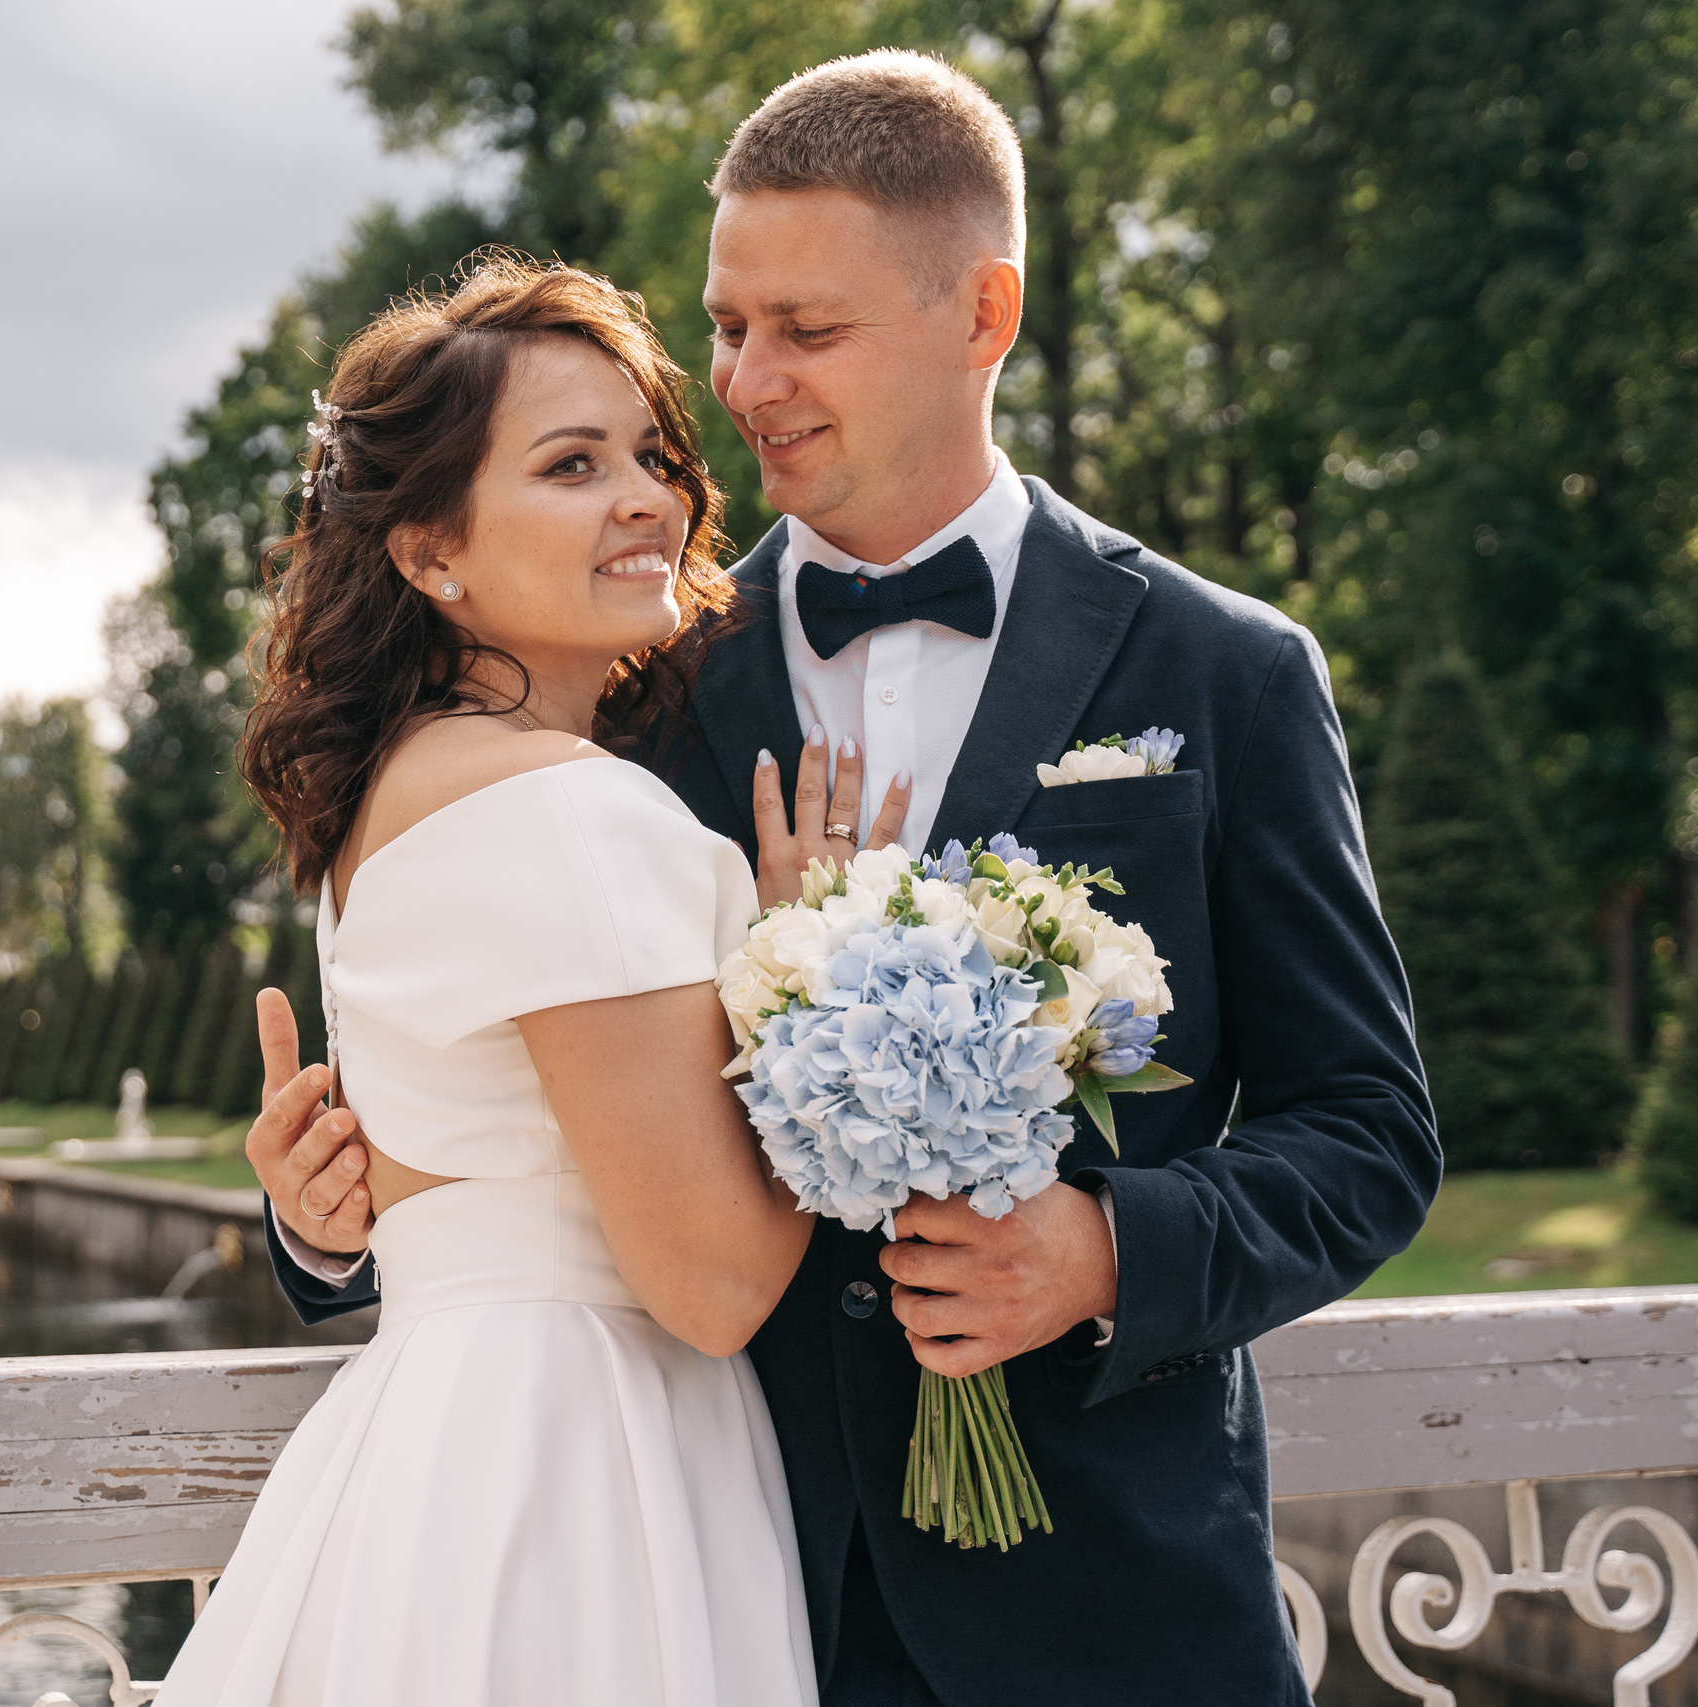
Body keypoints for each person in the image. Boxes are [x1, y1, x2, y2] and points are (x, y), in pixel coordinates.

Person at [255, 49, 1439, 1707]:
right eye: (730, 325)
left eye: (807, 331)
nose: (742, 384)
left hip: (1119, 1610)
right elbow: (534, 1135)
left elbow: (1371, 1131)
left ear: (983, 315)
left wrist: (1105, 1251)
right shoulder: (622, 689)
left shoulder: (1221, 669)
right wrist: (325, 1226)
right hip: (738, 1587)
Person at [155, 255, 915, 1706]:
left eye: (649, 454)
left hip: (430, 1452)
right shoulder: (572, 812)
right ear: (432, 554)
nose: (650, 499)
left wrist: (318, 1226)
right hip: (588, 1471)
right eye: (573, 466)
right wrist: (819, 978)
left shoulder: (389, 799)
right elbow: (710, 1286)